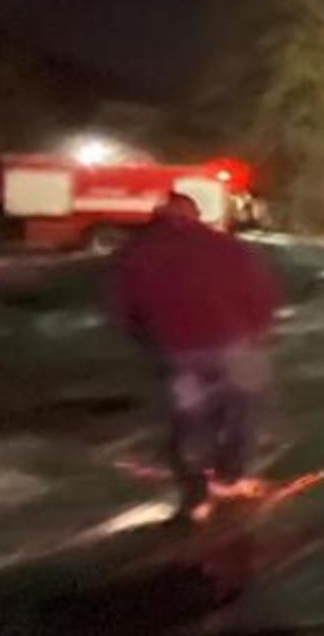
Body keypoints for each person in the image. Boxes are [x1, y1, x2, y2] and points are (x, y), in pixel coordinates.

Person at [108, 192, 281, 523]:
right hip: (236, 347)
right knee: (243, 412)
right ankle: (231, 477)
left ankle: (196, 498)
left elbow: (123, 310)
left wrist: (150, 342)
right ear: (197, 215)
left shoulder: (136, 253)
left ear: (158, 217)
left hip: (179, 353)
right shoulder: (228, 246)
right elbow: (262, 294)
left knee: (190, 419)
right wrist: (255, 332)